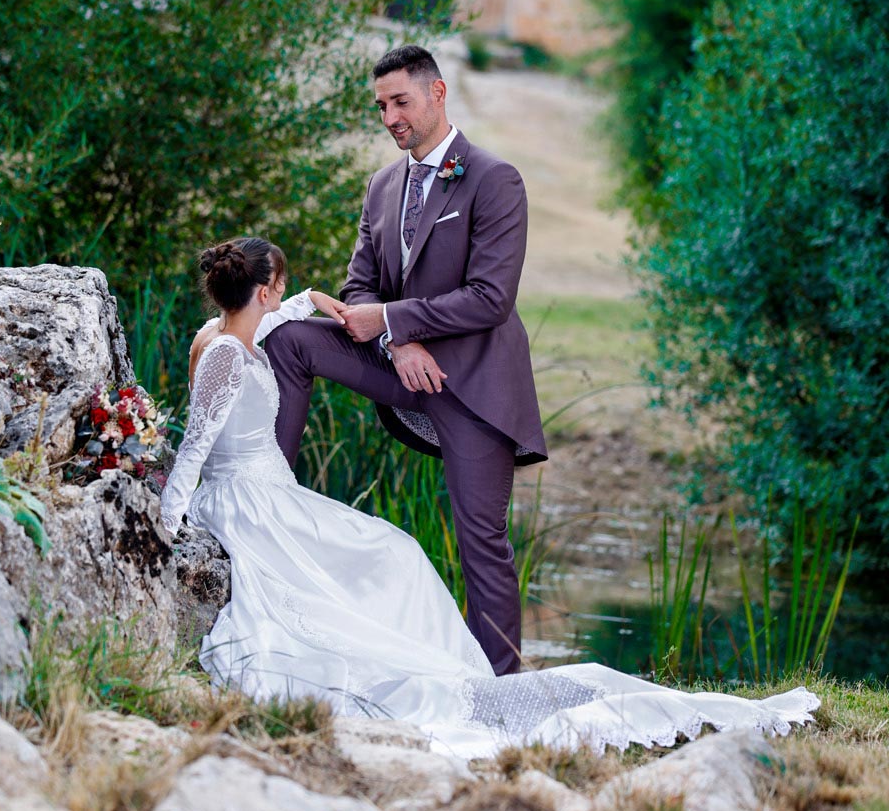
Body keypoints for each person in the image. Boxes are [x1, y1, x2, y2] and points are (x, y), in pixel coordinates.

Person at [158, 235, 820, 763]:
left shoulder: (225, 335)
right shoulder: (224, 356)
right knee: (387, 558)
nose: (283, 299)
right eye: (280, 288)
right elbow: (194, 448)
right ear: (263, 289)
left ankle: (468, 674)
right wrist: (167, 524)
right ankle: (453, 681)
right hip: (252, 505)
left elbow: (257, 337)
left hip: (270, 493)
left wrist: (308, 299)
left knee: (397, 550)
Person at [264, 43, 547, 678]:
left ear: (438, 94)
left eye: (402, 102)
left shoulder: (494, 179)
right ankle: (269, 498)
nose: (391, 117)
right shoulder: (383, 185)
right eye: (381, 106)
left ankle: (499, 689)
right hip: (400, 367)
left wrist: (393, 319)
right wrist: (397, 339)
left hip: (474, 386)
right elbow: (360, 285)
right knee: (290, 339)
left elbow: (491, 299)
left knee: (484, 544)